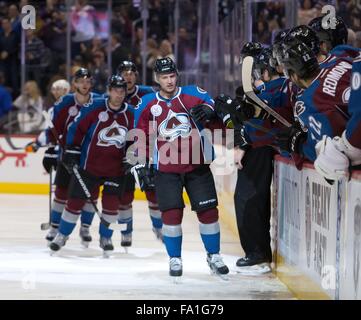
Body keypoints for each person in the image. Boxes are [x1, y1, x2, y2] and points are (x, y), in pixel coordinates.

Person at [134, 57, 229, 279]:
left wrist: (209, 111)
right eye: (164, 77)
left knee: (208, 212)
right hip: (166, 169)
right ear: (157, 79)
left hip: (197, 165)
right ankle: (174, 258)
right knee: (171, 214)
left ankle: (214, 255)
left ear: (177, 75)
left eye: (172, 76)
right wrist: (140, 163)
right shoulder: (148, 103)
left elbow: (212, 103)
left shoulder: (192, 94)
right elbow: (140, 136)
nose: (169, 81)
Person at [50, 75, 135, 256]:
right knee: (74, 203)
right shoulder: (95, 107)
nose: (119, 94)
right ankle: (62, 235)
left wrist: (132, 156)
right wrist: (72, 151)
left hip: (115, 170)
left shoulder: (131, 113)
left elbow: (136, 139)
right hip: (89, 168)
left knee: (112, 207)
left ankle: (106, 237)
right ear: (109, 91)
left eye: (122, 91)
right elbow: (76, 129)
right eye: (115, 90)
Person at [39, 69, 100, 246]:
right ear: (74, 83)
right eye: (81, 81)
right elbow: (53, 129)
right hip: (67, 155)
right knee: (61, 193)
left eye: (88, 81)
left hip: (90, 157)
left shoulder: (99, 101)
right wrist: (51, 149)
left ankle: (85, 227)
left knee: (91, 194)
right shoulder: (65, 102)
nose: (84, 84)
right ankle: (55, 227)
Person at [116, 60, 161, 248]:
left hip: (146, 149)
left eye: (131, 72)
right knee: (124, 196)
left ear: (136, 76)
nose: (128, 76)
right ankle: (126, 232)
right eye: (124, 72)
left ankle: (158, 228)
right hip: (121, 153)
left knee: (153, 192)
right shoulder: (112, 93)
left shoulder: (148, 94)